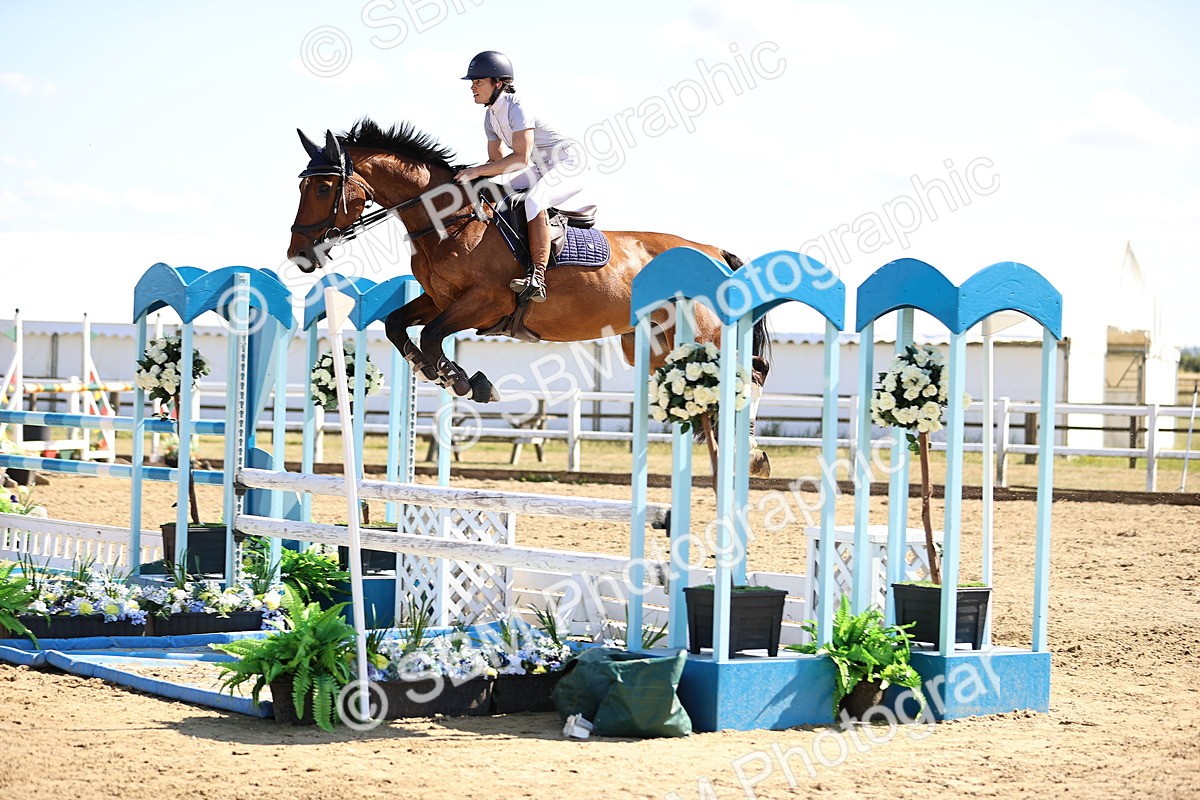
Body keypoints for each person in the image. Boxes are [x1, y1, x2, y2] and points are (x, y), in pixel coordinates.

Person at [453, 51, 586, 303]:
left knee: (534, 200)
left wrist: (477, 171)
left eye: (478, 82)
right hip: (541, 166)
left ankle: (538, 276)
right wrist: (470, 174)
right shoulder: (490, 116)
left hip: (569, 163)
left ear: (498, 83)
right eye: (473, 82)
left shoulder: (517, 106)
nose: (472, 87)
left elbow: (520, 159)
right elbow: (496, 163)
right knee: (500, 195)